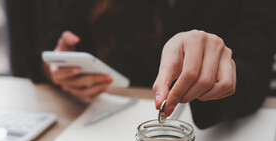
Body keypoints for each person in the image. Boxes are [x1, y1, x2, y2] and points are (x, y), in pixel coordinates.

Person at [38, 0, 276, 129]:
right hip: (93, 118)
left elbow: (255, 75)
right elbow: (45, 48)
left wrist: (214, 71)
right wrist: (55, 68)